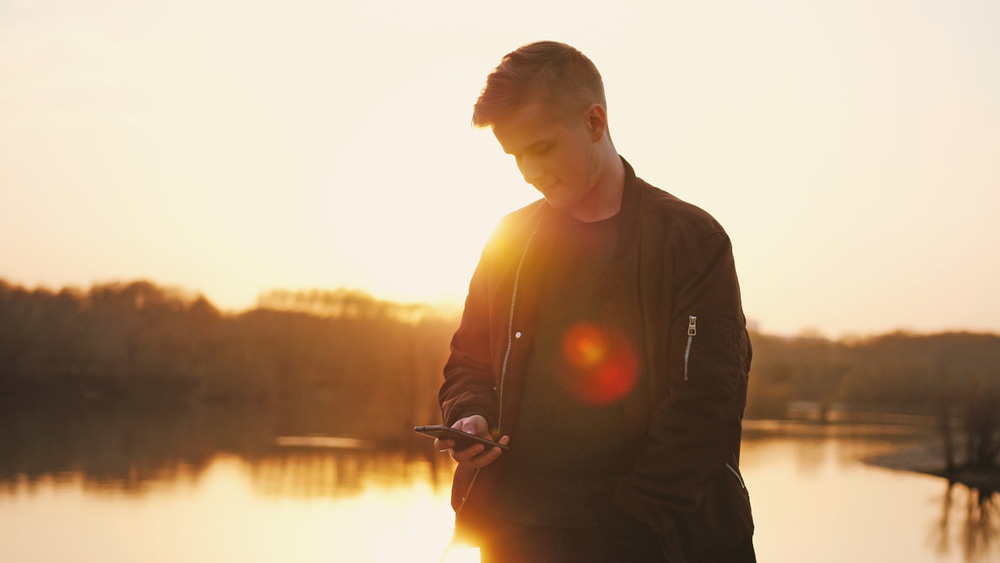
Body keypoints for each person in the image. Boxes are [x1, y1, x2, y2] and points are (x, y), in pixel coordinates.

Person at [434, 41, 755, 562]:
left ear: (594, 121)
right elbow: (469, 359)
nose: (528, 171)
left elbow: (707, 405)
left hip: (657, 540)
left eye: (541, 148)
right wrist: (470, 416)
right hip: (516, 538)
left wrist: (629, 528)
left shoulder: (692, 240)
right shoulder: (509, 239)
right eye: (515, 156)